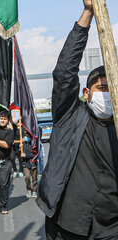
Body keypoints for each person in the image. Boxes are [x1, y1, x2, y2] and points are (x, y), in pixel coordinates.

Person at [36, 1, 118, 239]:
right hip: (67, 224)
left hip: (110, 228)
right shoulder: (70, 116)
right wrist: (88, 13)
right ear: (86, 93)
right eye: (102, 88)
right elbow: (64, 73)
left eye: (112, 91)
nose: (107, 96)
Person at [22, 132, 38, 198]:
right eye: (25, 136)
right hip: (26, 164)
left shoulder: (34, 145)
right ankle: (29, 190)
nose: (26, 138)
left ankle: (34, 191)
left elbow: (34, 154)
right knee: (27, 177)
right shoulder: (23, 144)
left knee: (34, 178)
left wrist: (25, 155)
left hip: (33, 163)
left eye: (27, 137)